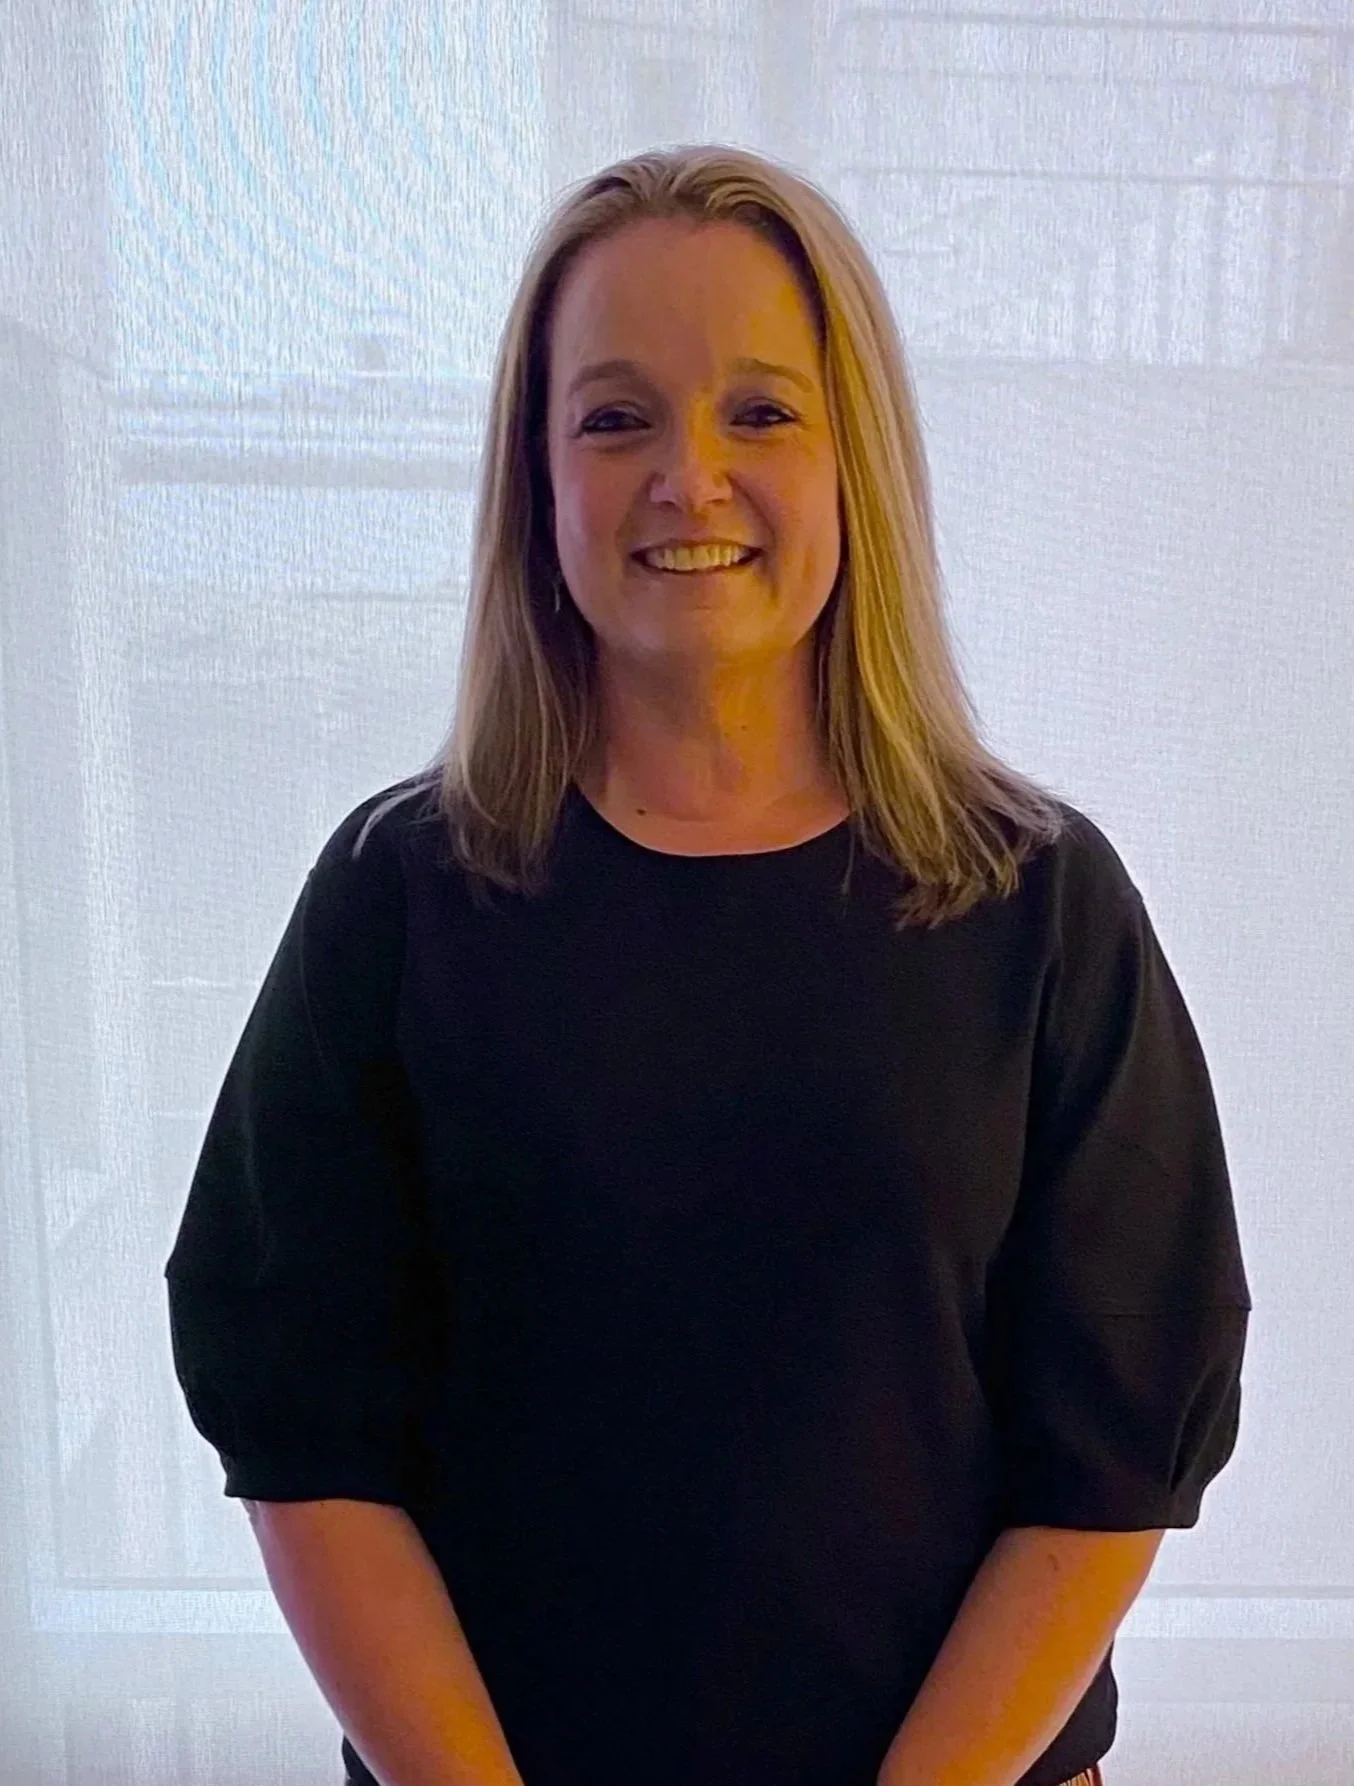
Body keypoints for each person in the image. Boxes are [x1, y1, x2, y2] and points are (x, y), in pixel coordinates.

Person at [164, 144, 1251, 1786]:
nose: (689, 475)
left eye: (759, 411)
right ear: (535, 476)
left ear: (852, 462)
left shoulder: (1039, 904)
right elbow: (302, 1423)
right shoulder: (396, 899)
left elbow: (1113, 1440)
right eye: (614, 417)